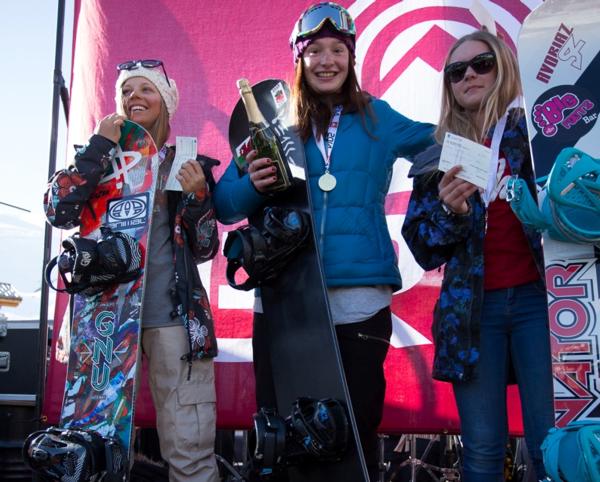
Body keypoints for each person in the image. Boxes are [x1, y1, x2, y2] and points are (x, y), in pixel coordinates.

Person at [213, 3, 434, 479]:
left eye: (338, 49)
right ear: (299, 58)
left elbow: (437, 142)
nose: (327, 60)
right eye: (315, 51)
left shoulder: (378, 116)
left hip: (357, 295)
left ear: (351, 58)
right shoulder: (274, 123)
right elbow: (226, 204)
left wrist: (458, 164)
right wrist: (252, 182)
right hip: (287, 297)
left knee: (354, 431)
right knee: (284, 433)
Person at [43, 60, 220, 482]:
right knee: (90, 449)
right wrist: (98, 148)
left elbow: (205, 247)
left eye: (147, 90)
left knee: (189, 449)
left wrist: (197, 198)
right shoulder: (98, 162)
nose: (135, 97)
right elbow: (57, 209)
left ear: (167, 102)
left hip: (172, 318)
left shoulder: (185, 162)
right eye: (127, 91)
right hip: (103, 323)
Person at [401, 31, 554, 482]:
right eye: (456, 71)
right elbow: (423, 249)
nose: (468, 74)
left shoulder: (537, 131)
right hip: (473, 315)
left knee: (551, 444)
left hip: (540, 305)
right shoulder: (437, 153)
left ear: (502, 67)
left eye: (481, 63)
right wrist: (450, 211)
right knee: (483, 451)